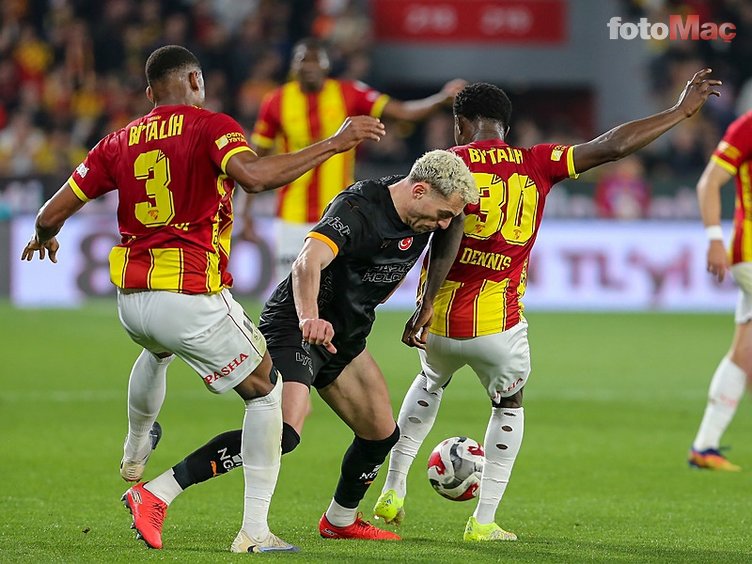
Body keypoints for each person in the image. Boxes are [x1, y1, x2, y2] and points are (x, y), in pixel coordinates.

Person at [20, 44, 385, 553]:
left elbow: (49, 215)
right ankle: (254, 532)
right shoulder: (212, 126)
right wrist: (335, 143)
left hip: (132, 301)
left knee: (156, 351)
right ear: (195, 81)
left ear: (150, 91)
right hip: (189, 295)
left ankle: (135, 447)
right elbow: (254, 177)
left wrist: (45, 235)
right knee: (267, 391)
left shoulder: (117, 140)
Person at [372, 70, 722, 541]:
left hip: (439, 322)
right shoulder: (537, 161)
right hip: (498, 328)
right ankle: (483, 521)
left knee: (430, 381)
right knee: (508, 405)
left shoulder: (448, 165)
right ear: (505, 127)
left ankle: (393, 489)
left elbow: (427, 228)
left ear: (461, 124)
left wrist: (424, 300)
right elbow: (613, 146)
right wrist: (679, 112)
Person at [120, 149, 479, 544]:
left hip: (346, 335)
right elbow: (307, 262)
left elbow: (452, 229)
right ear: (419, 191)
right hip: (296, 326)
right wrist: (309, 317)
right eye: (442, 214)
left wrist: (427, 301)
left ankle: (340, 520)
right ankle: (156, 492)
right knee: (283, 433)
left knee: (380, 435)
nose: (445, 223)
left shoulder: (432, 213)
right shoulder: (358, 208)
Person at [242, 37, 466, 280]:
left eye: (317, 60)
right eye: (303, 59)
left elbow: (402, 111)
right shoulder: (276, 101)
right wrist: (245, 212)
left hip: (338, 214)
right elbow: (256, 161)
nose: (310, 65)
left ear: (328, 65)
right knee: (288, 290)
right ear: (293, 66)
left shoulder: (349, 92)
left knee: (333, 289)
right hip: (291, 216)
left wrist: (440, 99)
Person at [688, 109, 752, 472]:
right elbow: (709, 182)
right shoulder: (748, 126)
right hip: (751, 251)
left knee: (744, 352)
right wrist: (715, 239)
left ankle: (705, 446)